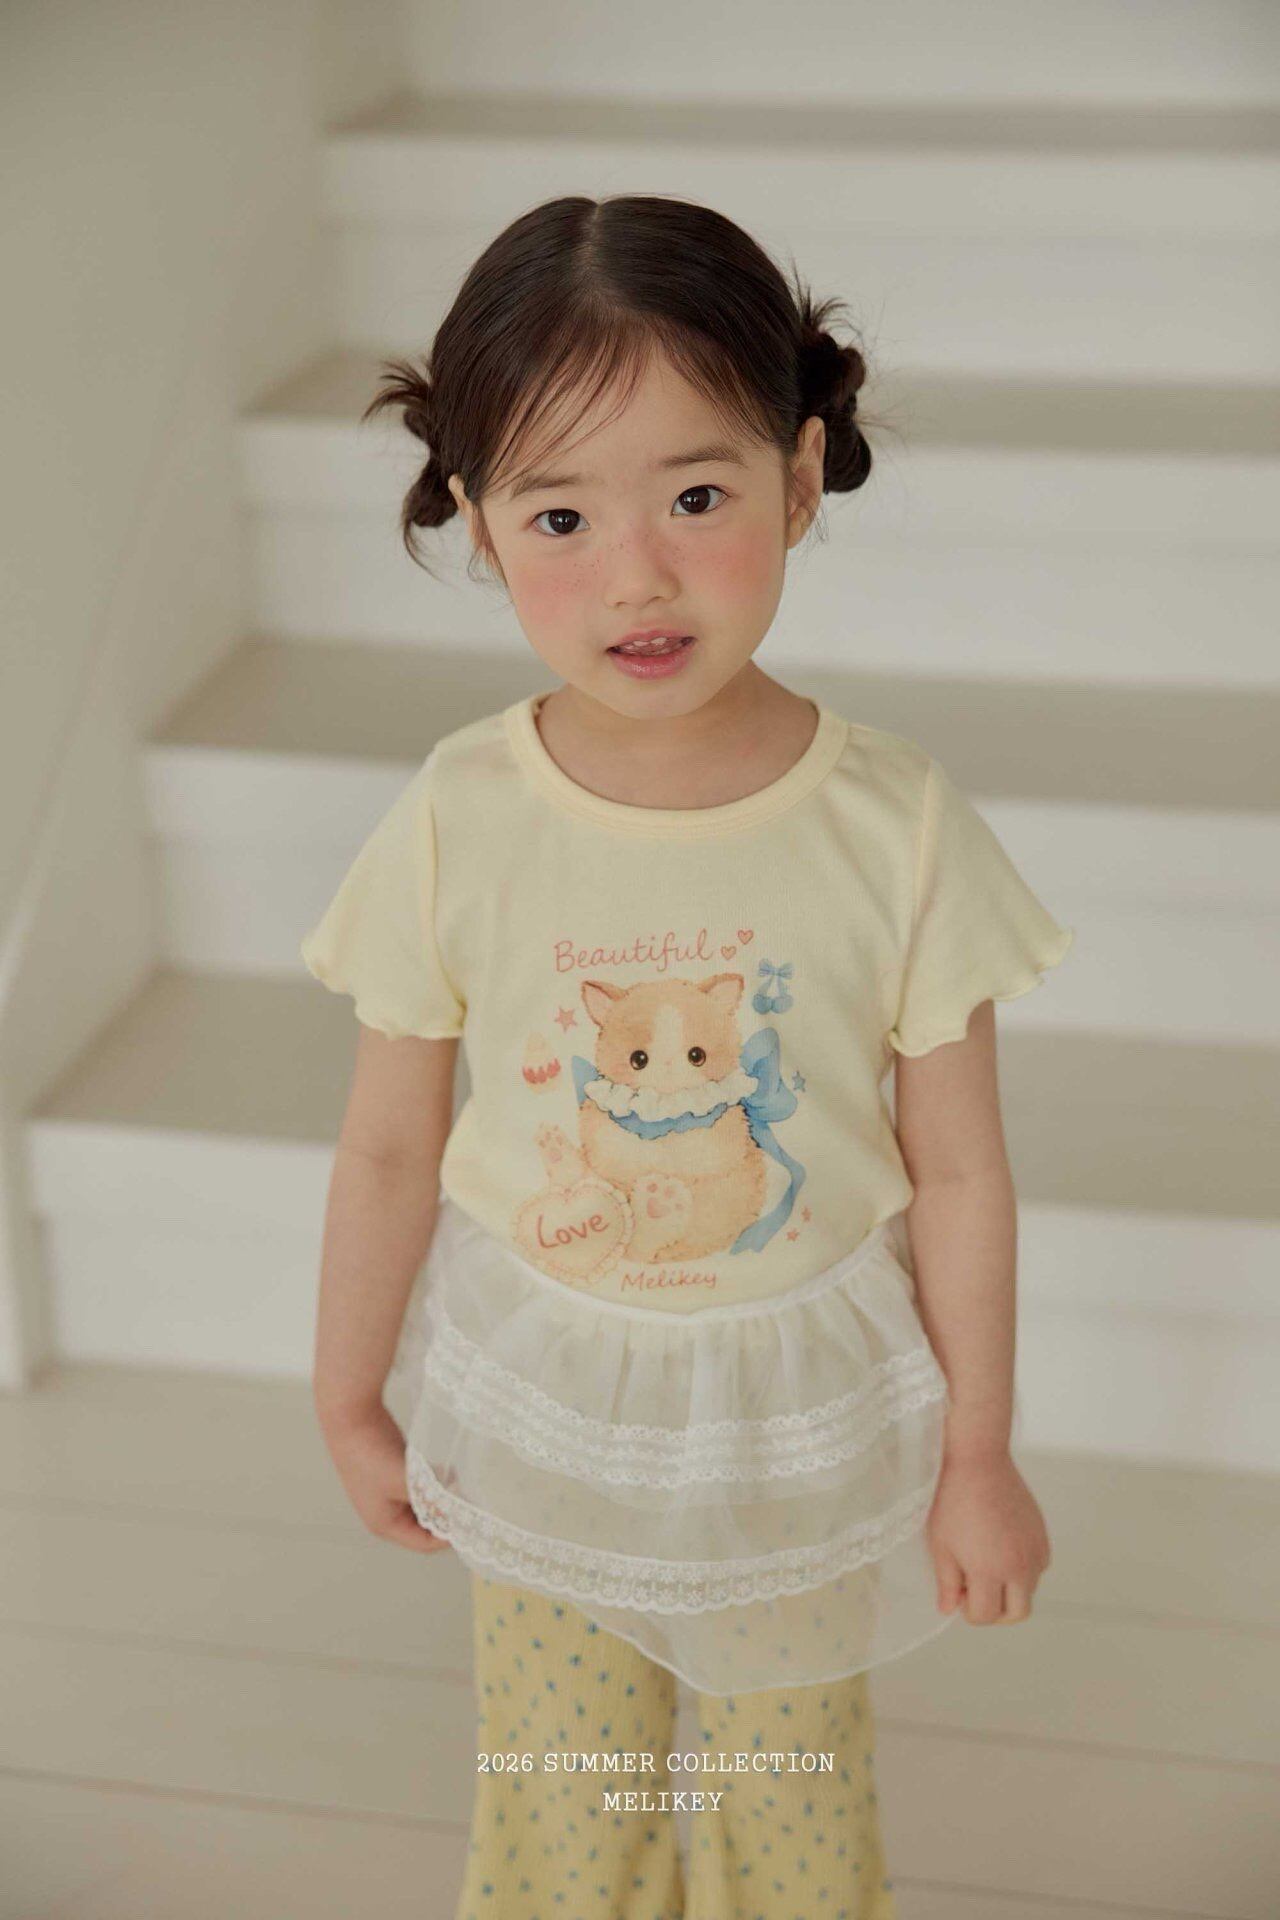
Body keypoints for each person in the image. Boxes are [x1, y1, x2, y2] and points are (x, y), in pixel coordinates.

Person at [300, 192, 1074, 1920]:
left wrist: (979, 1451)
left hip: (793, 1420)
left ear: (799, 481)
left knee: (791, 1799)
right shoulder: (461, 814)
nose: (635, 574)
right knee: (569, 1807)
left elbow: (960, 1167)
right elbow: (386, 1144)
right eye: (561, 515)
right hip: (553, 1408)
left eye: (698, 498)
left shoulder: (893, 823)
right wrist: (347, 1395)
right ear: (481, 527)